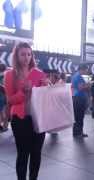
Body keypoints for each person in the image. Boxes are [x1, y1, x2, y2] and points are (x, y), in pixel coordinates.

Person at [4, 42, 47, 180]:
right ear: (16, 55)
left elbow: (44, 97)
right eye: (23, 54)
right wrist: (23, 92)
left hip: (38, 118)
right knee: (23, 154)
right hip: (20, 119)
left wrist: (47, 87)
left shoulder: (39, 73)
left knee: (36, 153)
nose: (26, 57)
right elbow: (9, 100)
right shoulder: (10, 74)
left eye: (29, 54)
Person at [71, 64, 90, 138]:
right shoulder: (78, 76)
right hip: (79, 98)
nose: (86, 71)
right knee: (79, 116)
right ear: (82, 69)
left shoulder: (75, 75)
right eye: (86, 69)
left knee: (77, 117)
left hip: (76, 98)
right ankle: (79, 133)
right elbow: (81, 88)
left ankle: (77, 132)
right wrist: (88, 85)